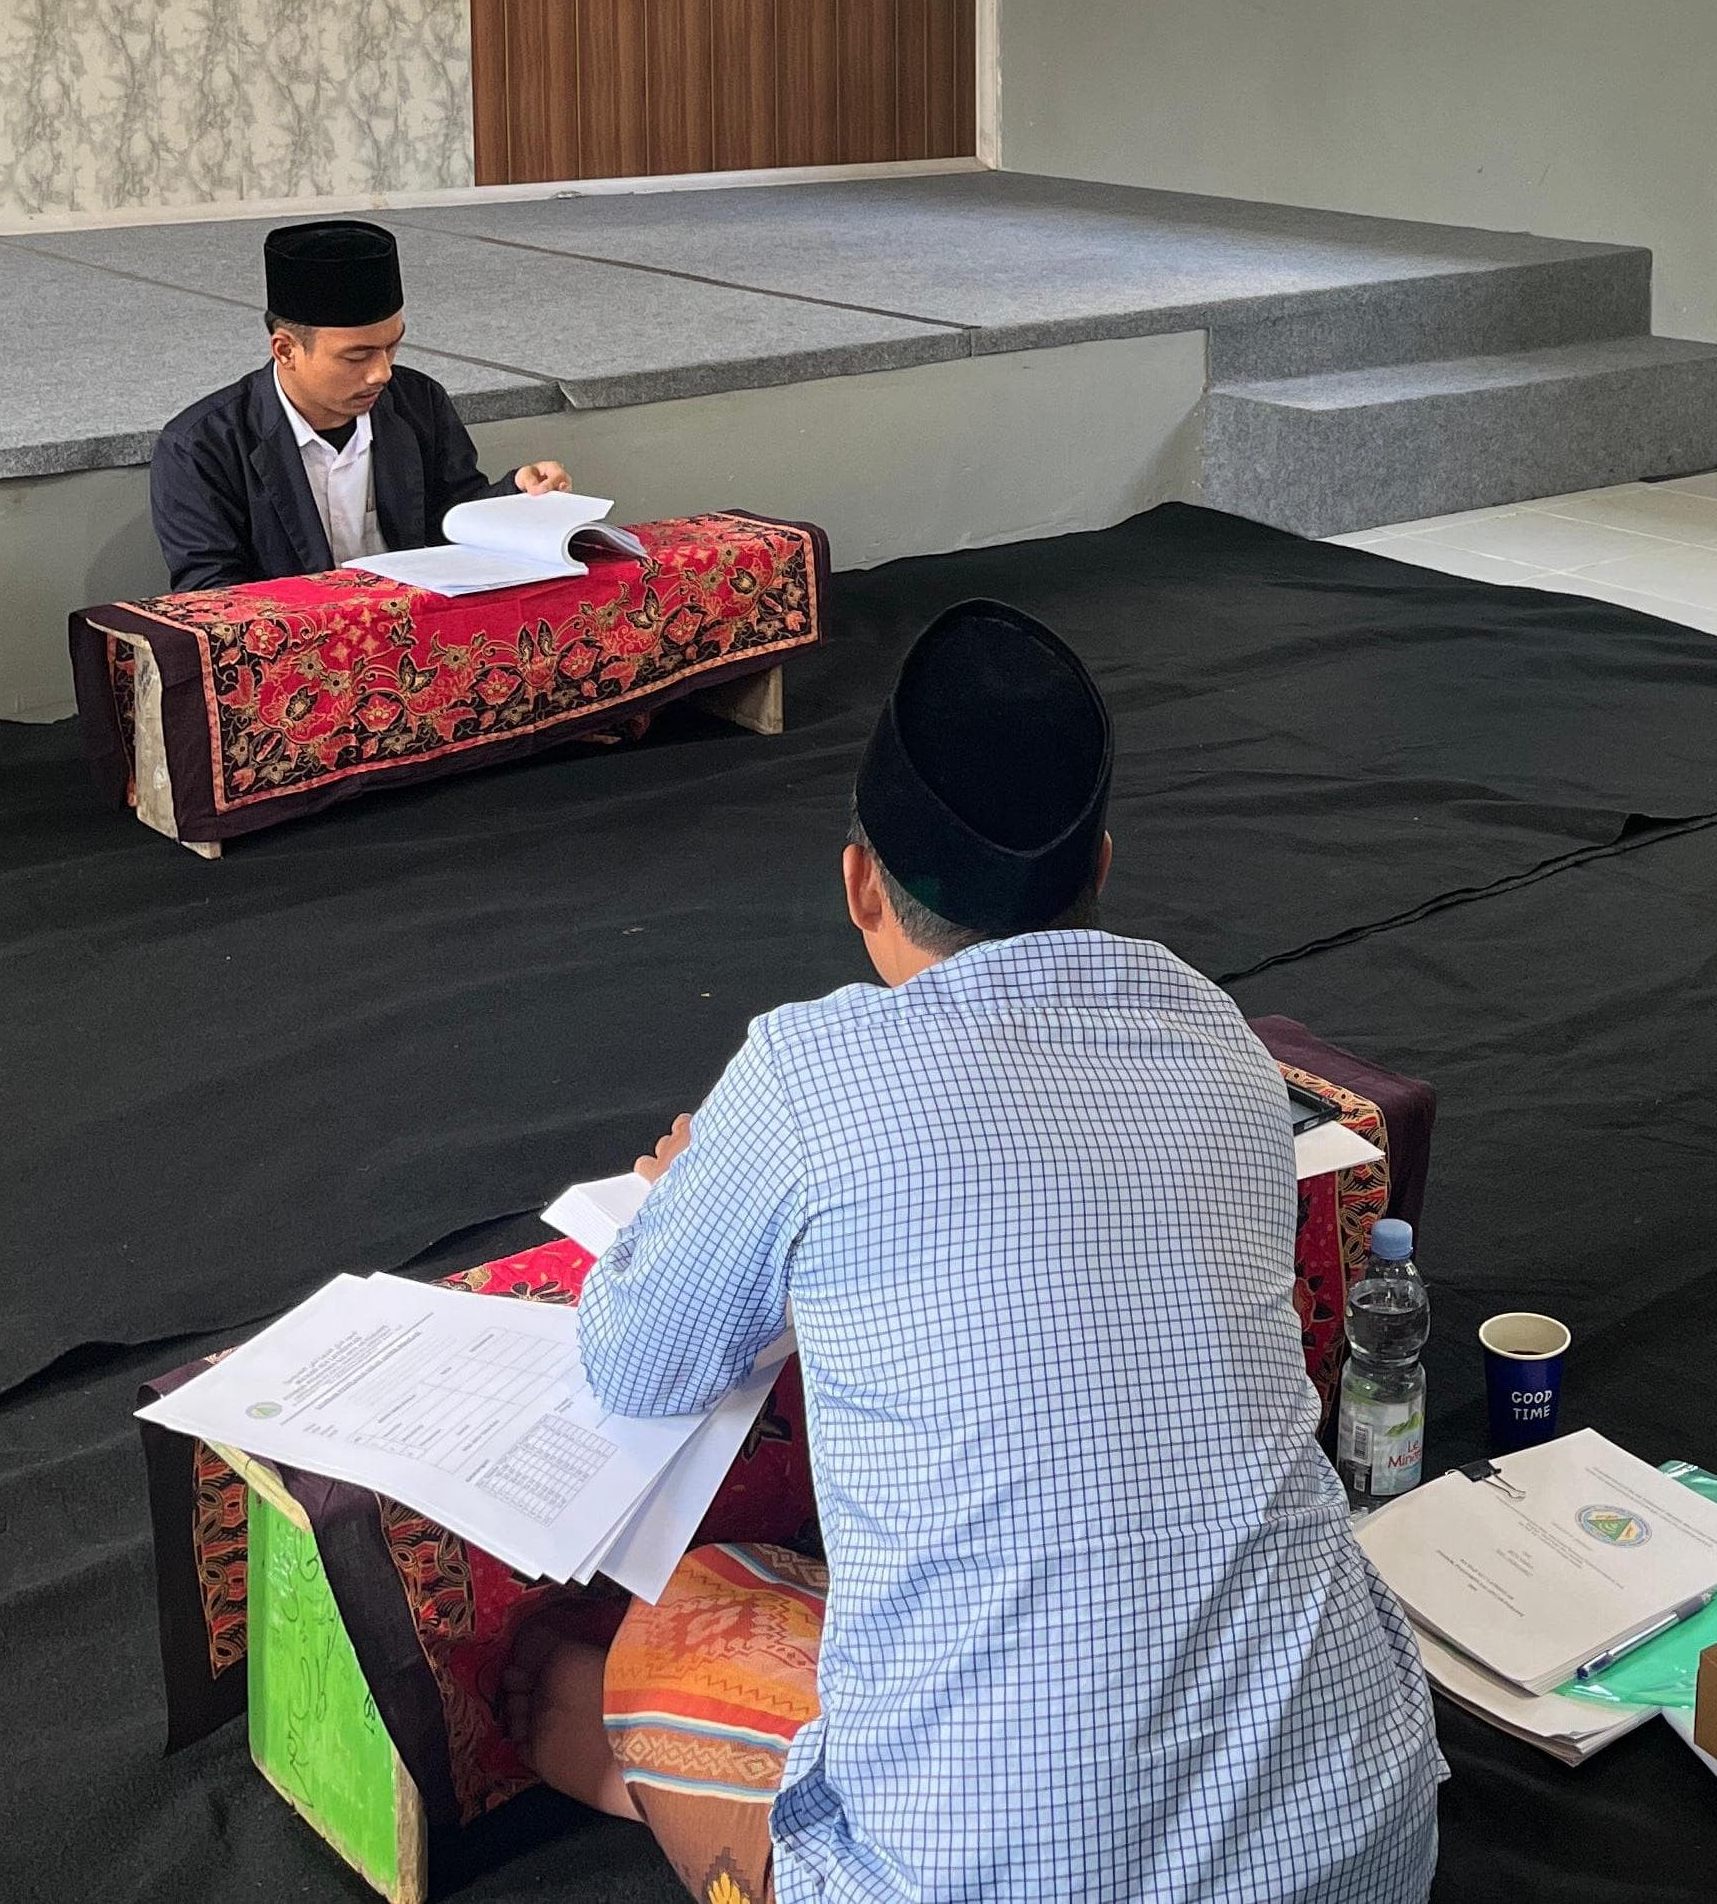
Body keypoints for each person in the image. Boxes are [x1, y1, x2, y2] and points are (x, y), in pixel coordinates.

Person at [506, 600, 1444, 1904]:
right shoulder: (1224, 1044)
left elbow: (634, 1360)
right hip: (1363, 1846)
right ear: (1100, 864)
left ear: (860, 883)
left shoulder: (808, 1075)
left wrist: (685, 1202)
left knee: (677, 1618)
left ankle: (662, 1793)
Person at [147, 219, 573, 591]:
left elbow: (454, 519)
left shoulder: (418, 402)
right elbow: (212, 596)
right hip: (295, 645)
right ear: (286, 350)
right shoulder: (201, 446)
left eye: (392, 347)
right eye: (357, 356)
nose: (382, 373)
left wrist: (516, 495)